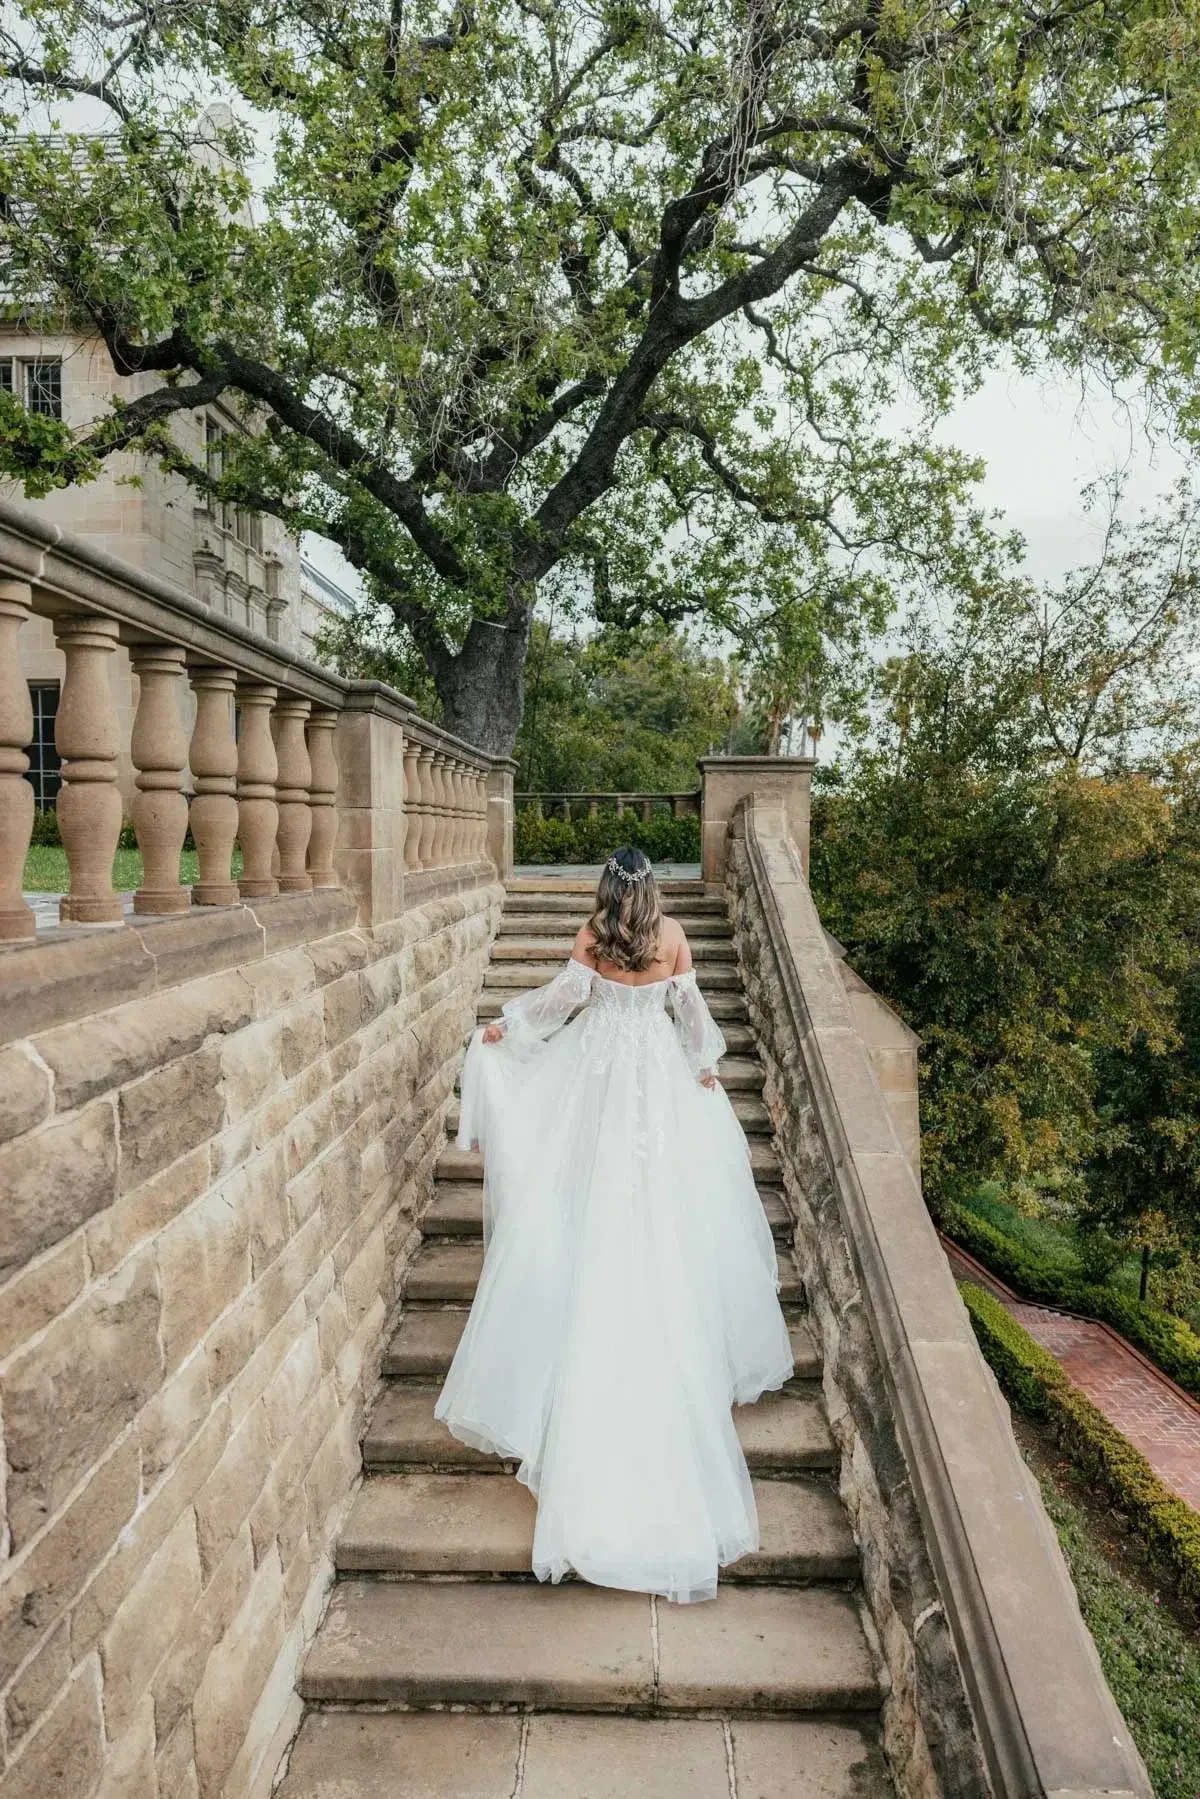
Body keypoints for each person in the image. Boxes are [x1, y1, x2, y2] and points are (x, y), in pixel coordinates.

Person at [434, 845, 794, 1604]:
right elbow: (696, 1023)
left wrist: (505, 1028)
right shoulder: (671, 938)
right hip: (653, 1092)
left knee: (584, 1203)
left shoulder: (593, 934)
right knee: (662, 1211)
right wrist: (704, 1068)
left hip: (597, 1086)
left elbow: (559, 1003)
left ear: (606, 888)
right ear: (652, 889)